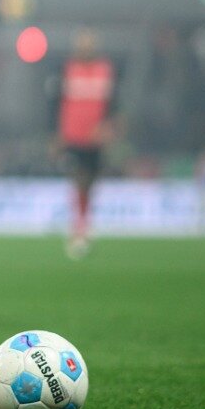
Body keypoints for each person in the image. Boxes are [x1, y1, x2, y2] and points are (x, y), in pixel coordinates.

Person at [53, 29, 117, 260]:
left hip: (96, 138)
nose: (85, 49)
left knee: (90, 182)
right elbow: (55, 103)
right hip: (73, 136)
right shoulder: (66, 69)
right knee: (79, 178)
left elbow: (113, 103)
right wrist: (56, 133)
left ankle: (84, 223)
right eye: (82, 45)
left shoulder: (105, 70)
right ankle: (78, 226)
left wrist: (109, 127)